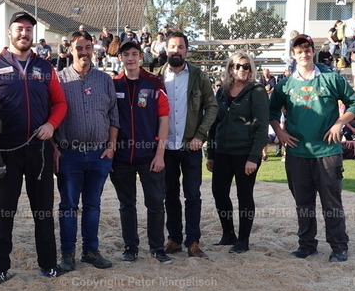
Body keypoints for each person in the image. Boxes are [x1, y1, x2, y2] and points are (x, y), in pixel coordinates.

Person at [0, 11, 68, 283]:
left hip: (40, 149)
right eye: (19, 29)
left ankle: (48, 265)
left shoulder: (45, 68)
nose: (24, 33)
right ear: (9, 33)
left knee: (43, 211)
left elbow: (60, 103)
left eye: (28, 29)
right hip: (6, 152)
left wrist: (52, 125)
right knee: (4, 210)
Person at [269, 34, 355, 263]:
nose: (304, 54)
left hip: (328, 152)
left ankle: (339, 246)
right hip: (297, 152)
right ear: (293, 54)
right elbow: (271, 112)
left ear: (313, 51)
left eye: (307, 50)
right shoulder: (285, 84)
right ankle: (307, 245)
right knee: (303, 203)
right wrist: (279, 132)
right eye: (299, 51)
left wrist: (340, 123)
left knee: (331, 202)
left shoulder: (331, 78)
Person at [54, 31, 119, 271]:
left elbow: (114, 116)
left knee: (93, 205)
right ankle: (67, 254)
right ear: (70, 50)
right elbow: (49, 116)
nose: (84, 52)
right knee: (68, 206)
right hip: (69, 153)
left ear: (93, 49)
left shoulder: (104, 80)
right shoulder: (59, 80)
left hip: (99, 154)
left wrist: (111, 147)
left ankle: (91, 251)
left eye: (87, 47)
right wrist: (54, 148)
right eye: (79, 48)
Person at [156, 32, 218, 258]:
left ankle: (193, 242)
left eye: (180, 47)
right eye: (172, 46)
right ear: (166, 49)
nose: (176, 50)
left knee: (192, 196)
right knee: (170, 196)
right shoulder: (157, 77)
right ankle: (174, 240)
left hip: (191, 146)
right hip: (165, 148)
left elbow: (212, 106)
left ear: (186, 51)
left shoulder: (198, 75)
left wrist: (200, 135)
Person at [110, 40, 171, 264]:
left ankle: (157, 248)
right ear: (120, 58)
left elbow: (164, 120)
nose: (130, 58)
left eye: (134, 54)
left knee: (155, 203)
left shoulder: (154, 84)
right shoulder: (113, 84)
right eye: (126, 54)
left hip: (149, 156)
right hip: (122, 157)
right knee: (127, 204)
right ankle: (130, 248)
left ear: (141, 57)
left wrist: (160, 154)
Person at [206, 52, 269, 253]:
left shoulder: (257, 91)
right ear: (230, 69)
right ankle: (228, 234)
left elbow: (262, 126)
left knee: (244, 196)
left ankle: (243, 240)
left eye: (246, 66)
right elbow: (214, 124)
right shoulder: (222, 91)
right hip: (222, 152)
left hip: (245, 153)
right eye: (237, 66)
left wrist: (254, 157)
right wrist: (211, 154)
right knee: (219, 193)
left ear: (251, 69)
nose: (241, 69)